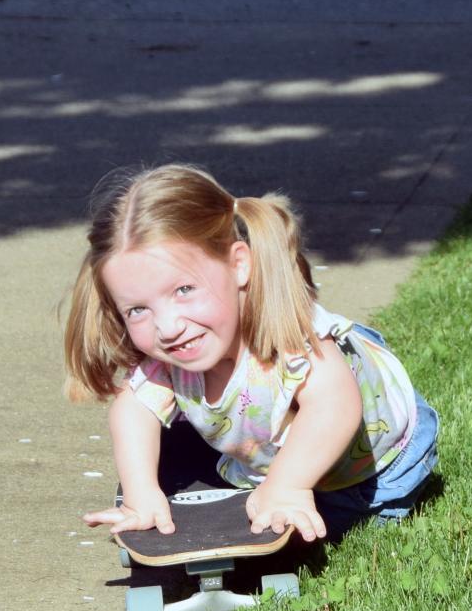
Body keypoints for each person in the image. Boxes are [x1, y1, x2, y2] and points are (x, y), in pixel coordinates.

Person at [63, 164, 438, 543]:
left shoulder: (282, 336)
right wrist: (140, 494)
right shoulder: (174, 350)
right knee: (268, 516)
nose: (168, 327)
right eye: (138, 310)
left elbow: (335, 406)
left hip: (377, 465)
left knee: (321, 532)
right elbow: (133, 409)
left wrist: (287, 486)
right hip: (285, 454)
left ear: (238, 264)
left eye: (184, 291)